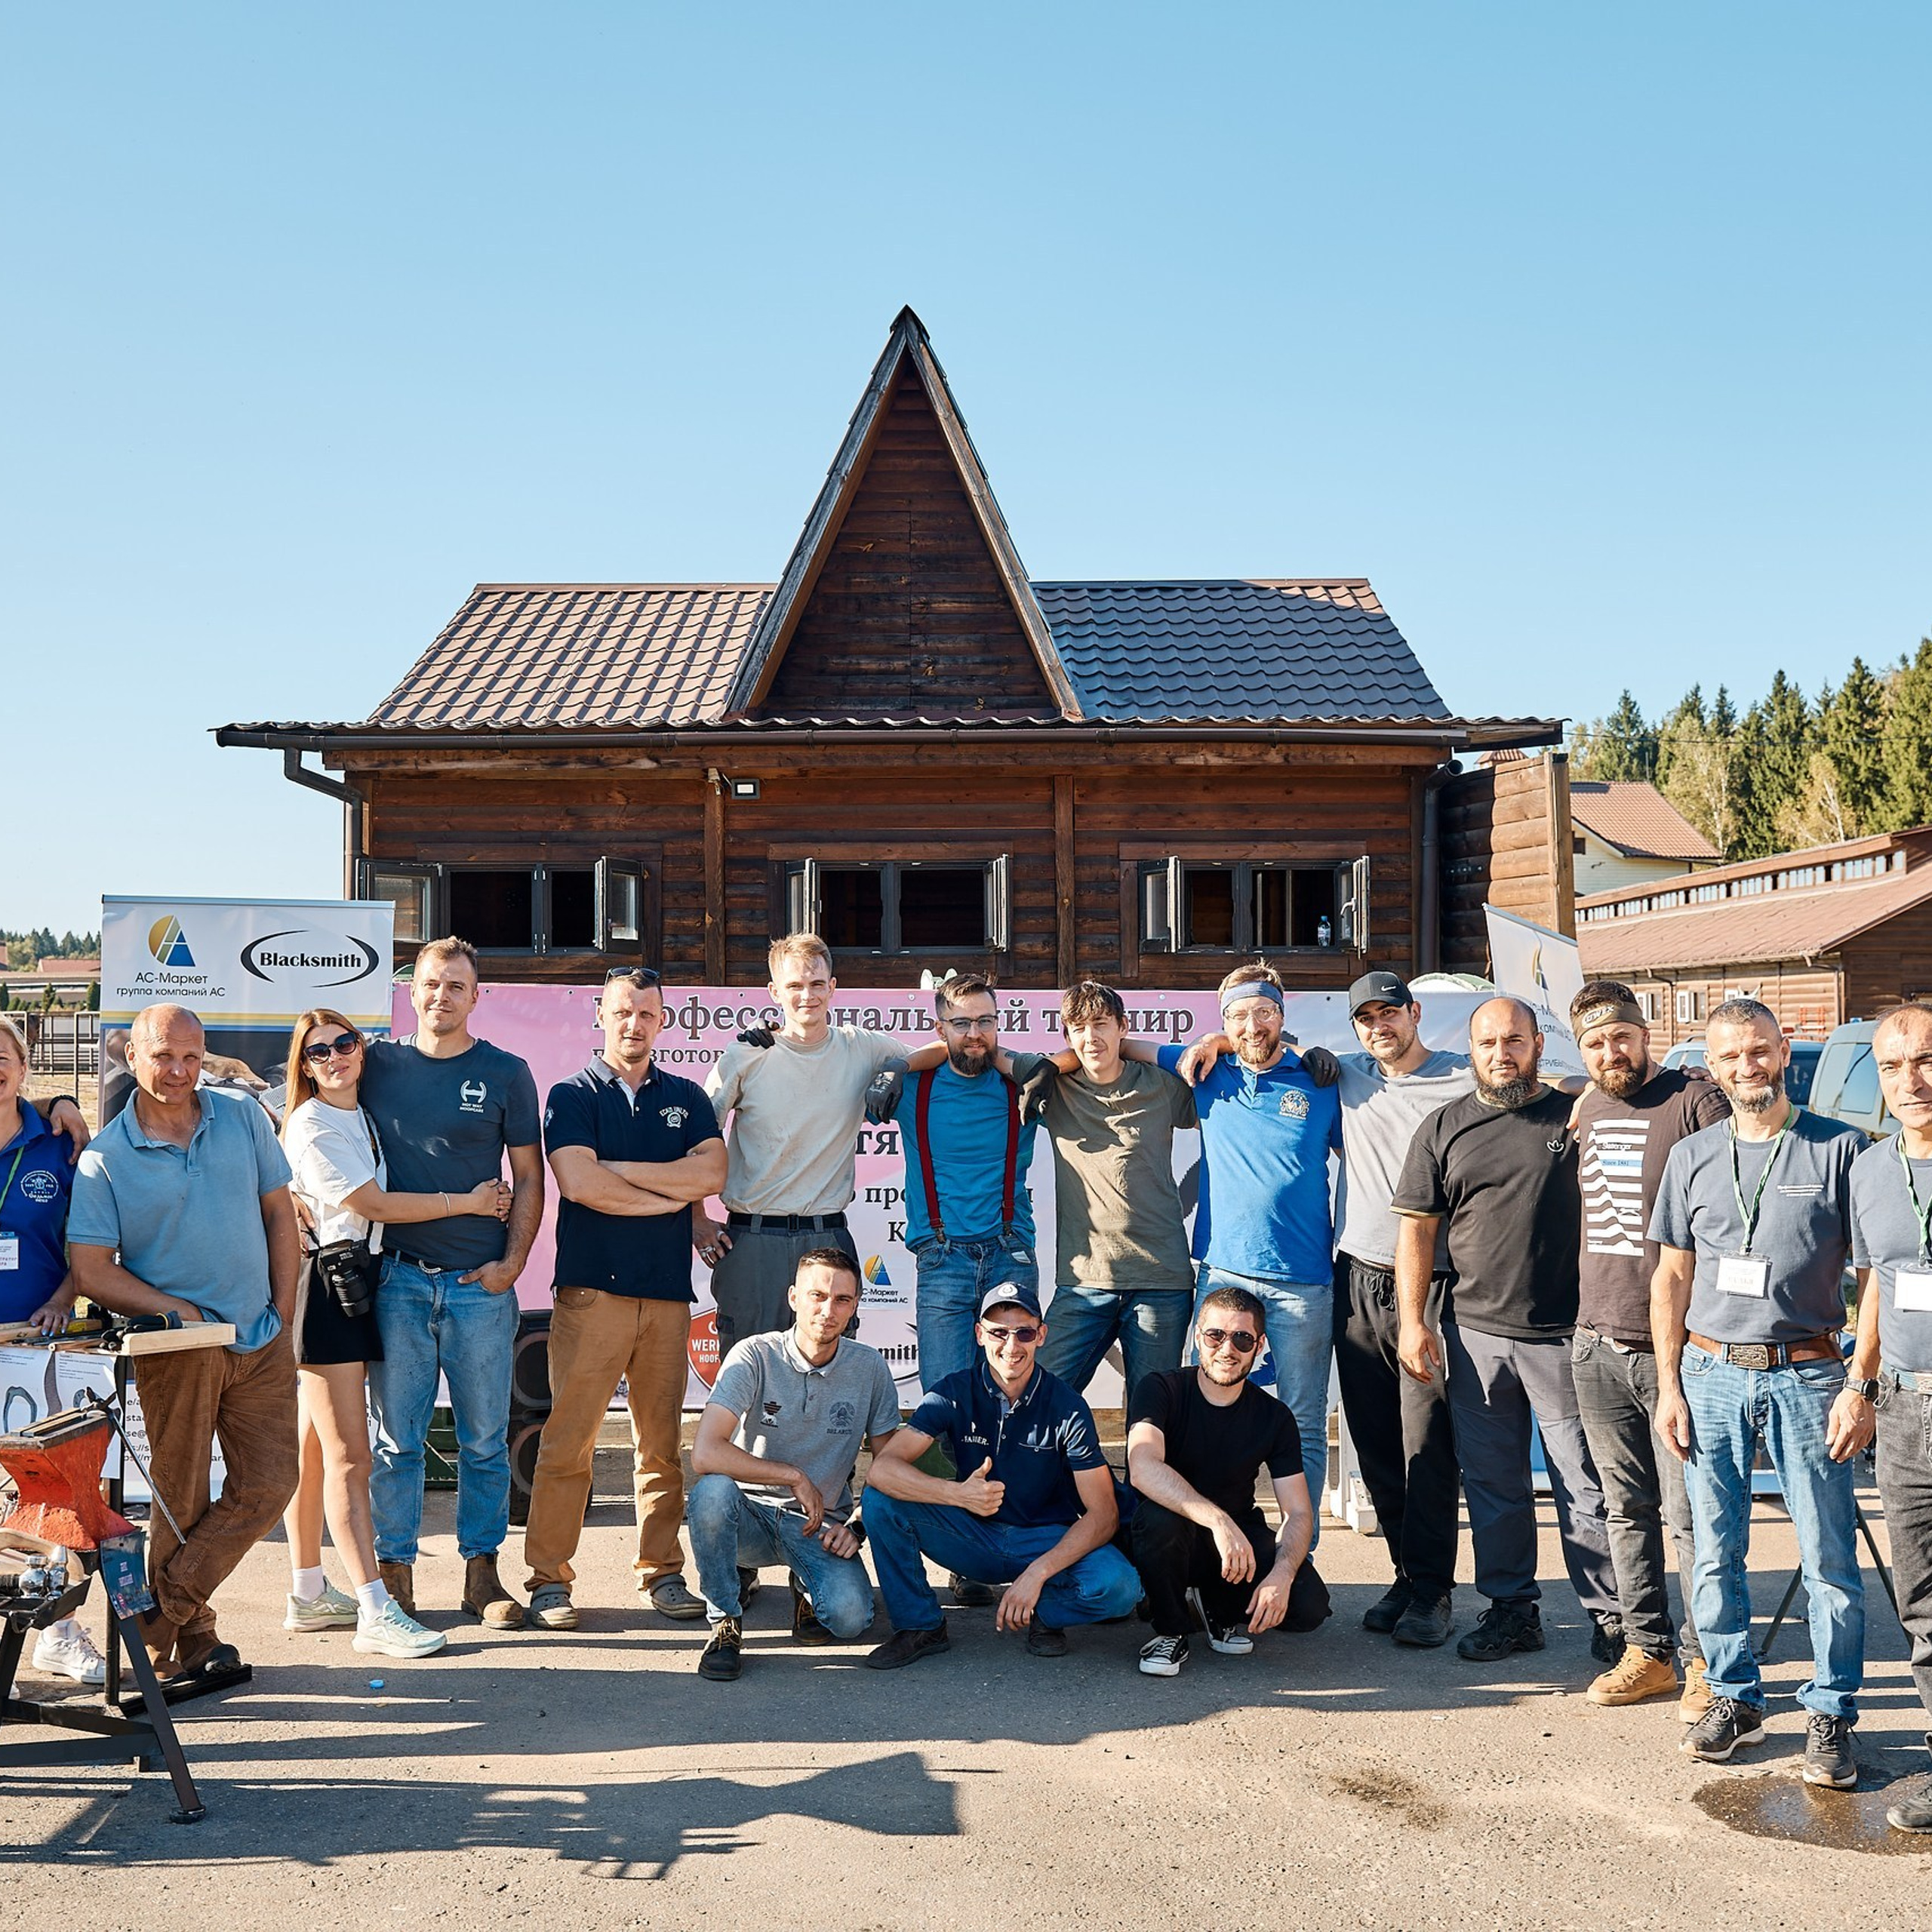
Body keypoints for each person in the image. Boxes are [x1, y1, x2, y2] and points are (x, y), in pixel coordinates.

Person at [1652, 998, 1867, 1784]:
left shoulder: (1839, 1147)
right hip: (1708, 1373)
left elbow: (1872, 1274)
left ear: (1782, 1053)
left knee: (1828, 1556)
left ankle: (1831, 1711)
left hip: (1808, 1373)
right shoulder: (1693, 1156)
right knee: (1714, 1552)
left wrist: (1858, 1380)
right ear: (1712, 1068)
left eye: (1759, 1052)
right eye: (1730, 1056)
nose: (1747, 1067)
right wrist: (1669, 1383)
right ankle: (1736, 1697)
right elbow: (1671, 1274)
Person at [66, 1003, 300, 1680]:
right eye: (164, 1056)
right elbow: (91, 1270)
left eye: (192, 1058)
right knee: (181, 1495)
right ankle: (193, 1641)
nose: (178, 1071)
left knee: (270, 1482)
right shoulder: (105, 1158)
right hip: (178, 1349)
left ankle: (157, 1617)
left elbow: (279, 1215)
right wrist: (175, 1312)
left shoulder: (244, 1118)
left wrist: (281, 1310)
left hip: (260, 1338)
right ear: (132, 1057)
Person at [1394, 995, 1619, 1666]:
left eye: (1515, 1040)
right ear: (1472, 1051)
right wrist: (1412, 1323)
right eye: (1489, 1043)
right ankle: (1512, 1611)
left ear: (1537, 1046)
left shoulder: (1577, 1116)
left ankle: (1615, 1617)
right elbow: (1417, 1231)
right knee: (1495, 1487)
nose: (1502, 1054)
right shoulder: (1442, 1129)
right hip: (1475, 1334)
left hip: (1565, 1333)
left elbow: (1642, 1089)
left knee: (1584, 1483)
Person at [524, 967, 726, 1629]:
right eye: (621, 1012)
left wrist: (620, 1174)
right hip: (592, 1296)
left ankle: (663, 1573)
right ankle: (549, 1581)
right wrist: (669, 1198)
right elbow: (580, 1185)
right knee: (568, 1445)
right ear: (601, 1017)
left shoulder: (688, 1097)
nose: (632, 1023)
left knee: (661, 1448)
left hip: (667, 1299)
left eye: (645, 1013)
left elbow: (712, 1173)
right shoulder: (571, 1094)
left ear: (662, 1020)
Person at [278, 1008, 482, 1660]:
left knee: (316, 1452)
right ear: (302, 1067)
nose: (335, 1057)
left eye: (344, 1043)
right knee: (350, 1459)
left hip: (357, 1280)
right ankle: (373, 1607)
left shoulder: (357, 1109)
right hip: (329, 1288)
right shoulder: (311, 1125)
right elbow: (375, 1205)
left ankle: (308, 1591)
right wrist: (468, 1203)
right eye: (318, 1053)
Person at [358, 937, 544, 1630]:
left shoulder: (506, 1072)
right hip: (399, 1283)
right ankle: (396, 1578)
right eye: (432, 984)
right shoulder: (374, 1064)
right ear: (412, 990)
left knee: (485, 1442)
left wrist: (514, 1263)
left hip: (480, 1287)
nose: (442, 996)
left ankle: (482, 1576)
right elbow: (292, 1091)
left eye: (456, 986)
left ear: (476, 995)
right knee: (397, 1443)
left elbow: (530, 1177)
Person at [1567, 981, 1730, 1718]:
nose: (1611, 1052)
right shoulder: (1589, 1106)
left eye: (1621, 1037)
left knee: (1691, 1513)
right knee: (1624, 1510)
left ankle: (1707, 1660)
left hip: (1677, 1349)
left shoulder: (1692, 1100)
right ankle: (1648, 1651)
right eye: (1596, 1043)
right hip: (1594, 1341)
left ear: (1645, 1032)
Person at [1151, 964, 1340, 1543]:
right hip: (1223, 1273)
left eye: (1263, 1011)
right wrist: (1212, 1040)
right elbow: (1121, 1045)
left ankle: (1296, 1555)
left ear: (1282, 1014)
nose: (1252, 1024)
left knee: (1304, 1421)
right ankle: (1198, 1544)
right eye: (1237, 1015)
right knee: (1200, 1416)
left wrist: (1312, 1051)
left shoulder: (1321, 1080)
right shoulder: (1209, 1070)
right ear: (1223, 1021)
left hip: (1303, 1281)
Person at [860, 1282, 1141, 1666]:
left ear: (1041, 1335)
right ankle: (919, 1625)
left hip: (1044, 1540)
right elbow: (882, 1470)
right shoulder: (953, 1392)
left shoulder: (1068, 1406)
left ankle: (1045, 1613)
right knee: (881, 1501)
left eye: (1024, 1332)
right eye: (998, 1332)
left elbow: (1104, 1514)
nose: (1012, 1345)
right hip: (973, 1536)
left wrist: (1037, 1574)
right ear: (979, 1334)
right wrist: (957, 1494)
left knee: (1121, 1588)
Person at [1327, 971, 1473, 1649]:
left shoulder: (1463, 1077)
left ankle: (1435, 1590)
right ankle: (1404, 1575)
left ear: (1415, 1013)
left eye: (1390, 1013)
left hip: (1433, 1285)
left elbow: (1542, 1087)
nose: (1379, 1026)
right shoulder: (1347, 1077)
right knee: (1377, 1441)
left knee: (1427, 1443)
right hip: (1357, 1278)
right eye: (1366, 1019)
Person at [697, 934, 920, 1355]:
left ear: (833, 987)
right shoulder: (745, 1055)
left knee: (830, 1379)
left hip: (827, 1236)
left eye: (817, 984)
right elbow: (695, 1142)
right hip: (753, 1240)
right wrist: (696, 1218)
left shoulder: (863, 1047)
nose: (807, 995)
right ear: (774, 992)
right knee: (747, 1380)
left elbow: (939, 1051)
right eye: (795, 986)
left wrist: (898, 1065)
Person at [685, 1248, 901, 1679]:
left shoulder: (870, 1368)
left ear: (856, 1305)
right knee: (710, 1492)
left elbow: (892, 1466)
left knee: (850, 1620)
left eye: (842, 1299)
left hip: (817, 1525)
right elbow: (706, 1452)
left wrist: (857, 1525)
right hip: (747, 1515)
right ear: (793, 1298)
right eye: (817, 1295)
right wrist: (793, 1476)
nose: (828, 1310)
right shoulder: (753, 1354)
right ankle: (724, 1621)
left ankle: (804, 1585)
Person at [1001, 982, 1197, 1398]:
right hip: (1085, 1280)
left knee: (1152, 1415)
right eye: (1079, 1028)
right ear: (1067, 1036)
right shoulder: (1054, 1088)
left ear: (1123, 1027)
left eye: (1102, 1025)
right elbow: (979, 1048)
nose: (1092, 1037)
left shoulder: (1162, 1085)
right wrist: (1050, 1067)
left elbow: (1218, 1060)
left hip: (1161, 1279)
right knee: (1034, 1396)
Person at [1127, 1284, 1329, 1676]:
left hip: (1235, 1543)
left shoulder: (1274, 1416)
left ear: (1259, 1345)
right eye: (1216, 1335)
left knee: (1307, 1607)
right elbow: (1143, 1466)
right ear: (1198, 1336)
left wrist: (1283, 1575)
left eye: (1242, 1338)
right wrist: (1218, 1521)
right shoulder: (1161, 1388)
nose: (1227, 1349)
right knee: (1160, 1520)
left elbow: (1299, 1511)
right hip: (1171, 1535)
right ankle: (1170, 1630)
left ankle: (1216, 1607)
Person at [1849, 1004, 1932, 1832]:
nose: (1912, 1080)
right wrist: (1860, 1382)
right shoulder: (1871, 1171)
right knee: (1921, 1599)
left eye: (1927, 1060)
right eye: (1894, 1065)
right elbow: (1875, 1279)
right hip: (1905, 1406)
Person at [0, 1014, 103, 1684]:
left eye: (1, 1055)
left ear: (23, 1065)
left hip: (37, 1348)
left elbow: (88, 1240)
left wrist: (65, 1297)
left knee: (48, 1492)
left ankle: (56, 1630)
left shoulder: (58, 1145)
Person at [882, 972, 1041, 1391]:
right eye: (962, 1023)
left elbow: (1084, 1058)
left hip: (1010, 1252)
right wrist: (899, 1064)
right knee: (944, 1395)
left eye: (986, 1021)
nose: (975, 1034)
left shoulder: (1023, 1085)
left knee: (1012, 1391)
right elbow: (831, 1060)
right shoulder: (913, 1088)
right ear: (940, 1029)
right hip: (941, 1259)